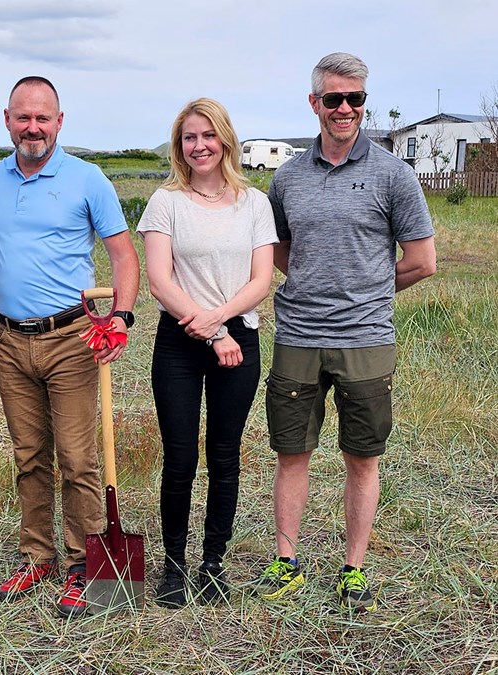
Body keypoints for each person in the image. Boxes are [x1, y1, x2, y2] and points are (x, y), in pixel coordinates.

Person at [251, 52, 437, 611]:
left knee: (362, 456)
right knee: (291, 451)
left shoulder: (393, 174)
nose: (346, 109)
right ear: (315, 104)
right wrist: (311, 283)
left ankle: (353, 568)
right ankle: (287, 562)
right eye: (334, 99)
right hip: (298, 336)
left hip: (365, 340)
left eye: (356, 99)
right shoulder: (287, 177)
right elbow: (279, 249)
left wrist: (368, 291)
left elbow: (423, 260)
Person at [0, 76, 140, 618]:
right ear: (7, 119)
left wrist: (119, 317)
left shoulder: (88, 179)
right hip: (9, 339)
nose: (32, 128)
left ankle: (83, 564)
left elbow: (123, 256)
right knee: (29, 457)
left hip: (72, 339)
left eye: (42, 118)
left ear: (59, 121)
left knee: (77, 459)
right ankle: (36, 556)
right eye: (23, 117)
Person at [137, 98, 277, 608]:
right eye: (189, 138)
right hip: (180, 341)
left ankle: (211, 563)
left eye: (208, 136)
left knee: (224, 457)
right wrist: (211, 331)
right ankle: (174, 565)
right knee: (179, 459)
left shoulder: (254, 204)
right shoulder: (165, 202)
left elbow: (262, 279)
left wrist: (222, 324)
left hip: (240, 338)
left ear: (225, 140)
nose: (199, 146)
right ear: (180, 146)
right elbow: (159, 280)